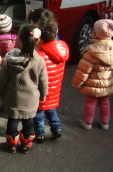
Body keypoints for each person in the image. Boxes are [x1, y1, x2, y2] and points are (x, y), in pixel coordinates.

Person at [0, 24, 48, 154]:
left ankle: (12, 144)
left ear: (19, 40)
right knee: (29, 123)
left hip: (13, 98)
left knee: (12, 121)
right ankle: (25, 144)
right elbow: (43, 80)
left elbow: (2, 78)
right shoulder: (39, 61)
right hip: (31, 100)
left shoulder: (10, 59)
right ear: (38, 41)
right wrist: (44, 94)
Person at [71, 19, 113, 130]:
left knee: (90, 103)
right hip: (107, 82)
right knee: (105, 102)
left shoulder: (92, 51)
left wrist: (76, 83)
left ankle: (87, 122)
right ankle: (105, 123)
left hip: (92, 84)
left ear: (96, 33)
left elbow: (83, 70)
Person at [31, 12, 69, 143]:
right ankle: (56, 129)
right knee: (51, 110)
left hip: (41, 92)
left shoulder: (39, 55)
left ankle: (39, 134)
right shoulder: (61, 49)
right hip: (54, 89)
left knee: (38, 114)